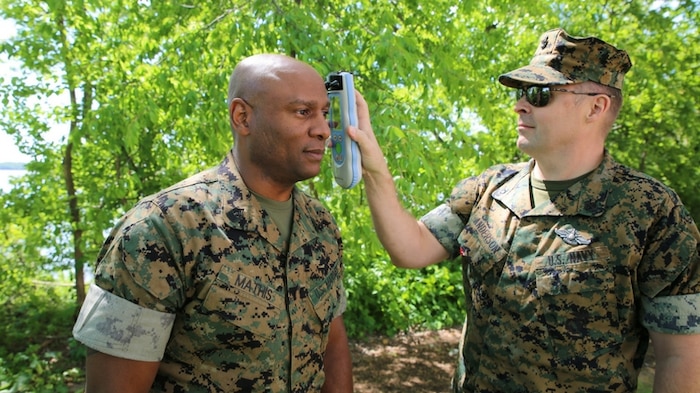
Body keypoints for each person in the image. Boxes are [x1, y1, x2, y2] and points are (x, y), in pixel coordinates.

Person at [349, 28, 700, 392]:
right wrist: (375, 166)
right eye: (521, 92)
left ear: (596, 107)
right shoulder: (488, 189)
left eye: (540, 94)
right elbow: (411, 247)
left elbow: (682, 354)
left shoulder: (651, 212)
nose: (520, 104)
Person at [72, 54, 353, 393]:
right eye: (302, 112)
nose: (323, 130)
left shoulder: (320, 224)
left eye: (324, 113)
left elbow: (332, 344)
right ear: (242, 117)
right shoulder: (164, 228)